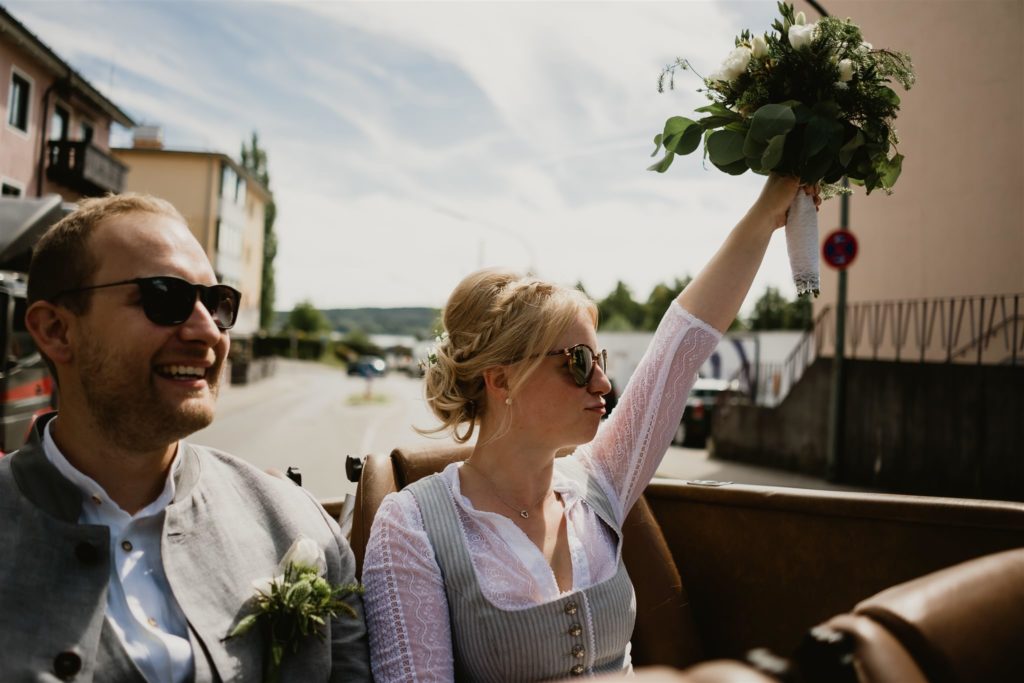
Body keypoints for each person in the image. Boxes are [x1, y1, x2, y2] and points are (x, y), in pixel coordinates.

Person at [362, 175, 819, 680]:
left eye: (598, 359)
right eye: (577, 362)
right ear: (501, 379)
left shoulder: (597, 484)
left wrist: (767, 211)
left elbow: (682, 344)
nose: (602, 382)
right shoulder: (411, 526)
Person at [1, 194, 370, 681]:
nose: (207, 331)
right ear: (56, 330)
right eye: (164, 297)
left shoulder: (295, 524)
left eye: (218, 303)